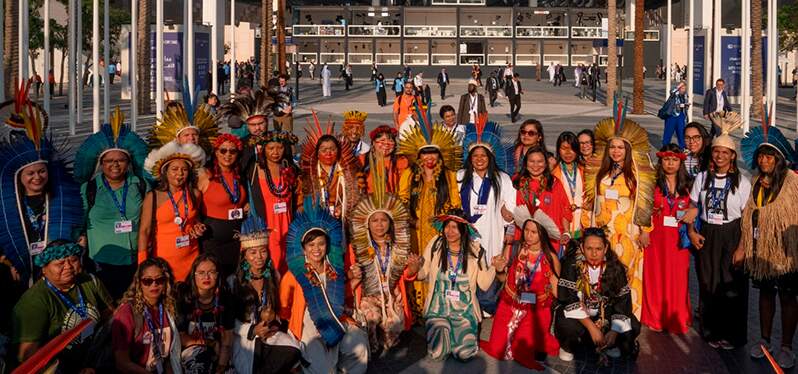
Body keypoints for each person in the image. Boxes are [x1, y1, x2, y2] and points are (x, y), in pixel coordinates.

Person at [0, 95, 83, 287]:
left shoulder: (58, 197)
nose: (37, 177)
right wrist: (8, 259)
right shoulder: (8, 202)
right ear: (19, 176)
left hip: (56, 275)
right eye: (30, 173)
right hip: (17, 273)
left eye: (41, 171)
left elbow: (73, 229)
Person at [279, 200, 369, 374]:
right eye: (311, 245)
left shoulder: (334, 269)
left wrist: (355, 279)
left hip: (336, 320)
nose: (316, 249)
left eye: (321, 243)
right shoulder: (294, 274)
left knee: (359, 343)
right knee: (324, 370)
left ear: (327, 245)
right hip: (308, 327)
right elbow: (284, 308)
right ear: (303, 249)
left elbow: (340, 297)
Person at [581, 111, 656, 319]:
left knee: (624, 277)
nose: (616, 151)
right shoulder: (598, 171)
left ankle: (623, 322)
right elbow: (590, 202)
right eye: (612, 147)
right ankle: (602, 318)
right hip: (603, 234)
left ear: (628, 149)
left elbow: (645, 204)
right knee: (601, 275)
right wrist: (587, 228)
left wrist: (645, 230)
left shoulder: (639, 172)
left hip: (628, 234)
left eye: (620, 147)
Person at [735, 124, 797, 368]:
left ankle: (787, 346)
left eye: (769, 156)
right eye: (761, 155)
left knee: (788, 297)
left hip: (788, 254)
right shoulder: (756, 182)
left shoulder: (793, 183)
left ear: (779, 158)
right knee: (765, 294)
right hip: (762, 251)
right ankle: (765, 340)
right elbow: (748, 216)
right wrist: (742, 247)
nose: (763, 160)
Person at [688, 112, 750, 349]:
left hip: (732, 235)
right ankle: (711, 331)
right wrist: (693, 232)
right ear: (711, 154)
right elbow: (693, 207)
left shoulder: (742, 182)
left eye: (725, 152)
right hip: (708, 234)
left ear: (732, 156)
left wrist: (742, 247)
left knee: (731, 285)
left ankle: (731, 335)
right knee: (708, 283)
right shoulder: (702, 178)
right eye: (716, 151)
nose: (720, 156)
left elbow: (746, 218)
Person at [348, 154, 422, 353]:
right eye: (375, 221)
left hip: (391, 293)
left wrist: (412, 269)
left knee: (394, 326)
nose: (379, 225)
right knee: (371, 317)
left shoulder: (398, 245)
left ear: (390, 223)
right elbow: (352, 277)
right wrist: (353, 277)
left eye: (383, 220)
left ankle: (386, 336)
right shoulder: (357, 246)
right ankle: (370, 342)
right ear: (367, 223)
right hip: (368, 294)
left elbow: (403, 275)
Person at [75, 110, 149, 300]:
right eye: (108, 160)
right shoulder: (89, 189)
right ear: (100, 163)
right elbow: (78, 225)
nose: (115, 164)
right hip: (101, 263)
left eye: (121, 160)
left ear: (129, 162)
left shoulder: (140, 185)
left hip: (135, 262)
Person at [12, 240, 114, 372]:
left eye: (73, 260)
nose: (68, 266)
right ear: (44, 269)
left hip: (94, 357)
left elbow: (112, 314)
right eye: (60, 263)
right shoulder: (34, 301)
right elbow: (27, 355)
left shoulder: (90, 281)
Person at [398, 114, 463, 319]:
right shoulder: (409, 174)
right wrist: (409, 219)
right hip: (415, 230)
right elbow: (401, 200)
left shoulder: (448, 175)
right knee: (417, 264)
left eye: (433, 154)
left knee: (438, 265)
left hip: (439, 231)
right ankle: (418, 309)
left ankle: (438, 306)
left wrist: (446, 224)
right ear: (419, 156)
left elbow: (455, 201)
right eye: (425, 154)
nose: (429, 158)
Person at [481, 207, 561, 369]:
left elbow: (556, 290)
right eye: (526, 230)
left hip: (536, 311)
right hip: (509, 306)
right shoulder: (514, 249)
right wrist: (499, 269)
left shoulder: (550, 258)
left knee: (522, 351)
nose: (528, 235)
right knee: (497, 350)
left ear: (542, 234)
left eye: (534, 232)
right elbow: (503, 279)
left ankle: (542, 338)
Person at [416, 212, 502, 362]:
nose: (450, 231)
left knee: (464, 355)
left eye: (455, 227)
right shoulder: (435, 244)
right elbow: (422, 274)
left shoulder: (475, 250)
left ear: (463, 230)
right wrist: (414, 267)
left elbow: (484, 283)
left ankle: (459, 339)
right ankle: (444, 339)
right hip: (438, 308)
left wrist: (495, 268)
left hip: (464, 310)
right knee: (436, 354)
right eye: (447, 226)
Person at [228, 214, 302, 374]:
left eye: (263, 251)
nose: (258, 257)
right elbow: (228, 321)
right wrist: (252, 330)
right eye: (253, 253)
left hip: (268, 335)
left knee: (294, 350)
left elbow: (276, 311)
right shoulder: (233, 282)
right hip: (243, 338)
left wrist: (272, 320)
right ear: (244, 255)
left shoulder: (274, 276)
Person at [554, 228, 641, 362]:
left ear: (605, 248)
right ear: (582, 248)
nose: (594, 253)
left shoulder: (615, 268)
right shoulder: (572, 265)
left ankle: (608, 342)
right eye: (589, 248)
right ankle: (568, 346)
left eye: (598, 249)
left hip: (604, 315)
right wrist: (591, 327)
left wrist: (614, 331)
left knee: (633, 326)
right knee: (565, 325)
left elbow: (622, 301)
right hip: (581, 318)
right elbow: (568, 298)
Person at [458, 118, 517, 314]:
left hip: (492, 234)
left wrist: (508, 216)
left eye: (484, 155)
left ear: (491, 157)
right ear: (469, 157)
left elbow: (511, 210)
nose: (479, 159)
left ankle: (487, 305)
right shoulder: (460, 177)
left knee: (490, 266)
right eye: (475, 156)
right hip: (467, 235)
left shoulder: (502, 178)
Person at [641, 144, 693, 334]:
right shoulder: (652, 182)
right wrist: (644, 231)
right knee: (655, 276)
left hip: (678, 240)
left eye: (674, 160)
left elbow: (696, 207)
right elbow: (643, 208)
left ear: (680, 162)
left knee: (677, 278)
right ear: (661, 161)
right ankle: (654, 315)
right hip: (656, 238)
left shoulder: (689, 184)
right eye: (666, 160)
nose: (670, 164)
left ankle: (676, 316)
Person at [138, 142, 207, 281]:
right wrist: (142, 264)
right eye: (174, 169)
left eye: (184, 170)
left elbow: (196, 219)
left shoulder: (195, 194)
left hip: (191, 256)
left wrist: (198, 227)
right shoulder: (153, 197)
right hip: (163, 259)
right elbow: (144, 231)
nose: (180, 174)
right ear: (165, 171)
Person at [111, 257, 183, 373]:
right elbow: (121, 363)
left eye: (159, 280)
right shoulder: (127, 312)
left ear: (166, 282)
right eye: (147, 281)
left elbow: (169, 357)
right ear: (139, 283)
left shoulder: (168, 308)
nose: (154, 285)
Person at [248, 130, 300, 275]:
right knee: (272, 264)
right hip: (267, 225)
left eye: (280, 148)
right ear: (263, 149)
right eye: (271, 148)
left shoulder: (289, 168)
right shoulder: (255, 170)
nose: (275, 152)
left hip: (288, 224)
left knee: (289, 263)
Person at [198, 134, 248, 279]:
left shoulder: (239, 175)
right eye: (223, 150)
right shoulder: (205, 175)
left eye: (232, 151)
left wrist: (246, 204)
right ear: (216, 152)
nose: (227, 155)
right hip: (213, 240)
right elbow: (192, 206)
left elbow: (238, 198)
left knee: (235, 280)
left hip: (236, 240)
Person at [176, 255, 235, 373]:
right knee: (200, 362)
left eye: (212, 272)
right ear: (194, 275)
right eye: (201, 273)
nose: (206, 277)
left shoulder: (225, 299)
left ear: (218, 275)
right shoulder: (184, 299)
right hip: (191, 350)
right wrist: (209, 344)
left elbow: (227, 339)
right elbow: (181, 337)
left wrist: (221, 366)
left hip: (219, 350)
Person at [300, 115, 361, 221]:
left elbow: (356, 195)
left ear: (338, 151)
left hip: (343, 218)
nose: (328, 153)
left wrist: (343, 208)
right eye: (324, 150)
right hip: (317, 219)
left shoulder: (347, 170)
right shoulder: (309, 173)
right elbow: (303, 199)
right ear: (317, 153)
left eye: (332, 149)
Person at [219, 87, 290, 177]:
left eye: (260, 123)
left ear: (267, 122)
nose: (257, 128)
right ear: (247, 126)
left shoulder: (279, 141)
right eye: (253, 125)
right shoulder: (241, 145)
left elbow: (290, 165)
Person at [514, 146, 571, 251]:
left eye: (540, 161)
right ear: (526, 164)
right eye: (532, 161)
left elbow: (565, 209)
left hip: (550, 241)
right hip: (525, 239)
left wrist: (566, 232)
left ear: (546, 164)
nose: (536, 165)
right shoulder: (517, 182)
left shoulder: (554, 183)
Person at [150, 97, 221, 156]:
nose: (191, 138)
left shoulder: (208, 157)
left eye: (194, 134)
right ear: (177, 138)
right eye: (186, 135)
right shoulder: (168, 160)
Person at [552, 132, 585, 236]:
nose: (568, 153)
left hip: (582, 223)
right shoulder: (553, 173)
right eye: (564, 148)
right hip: (561, 224)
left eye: (571, 149)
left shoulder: (584, 170)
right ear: (558, 150)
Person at [362, 125, 406, 194]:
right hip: (367, 203)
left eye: (391, 141)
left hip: (393, 202)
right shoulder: (362, 159)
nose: (386, 144)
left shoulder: (401, 162)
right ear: (373, 143)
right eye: (382, 140)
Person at [660, 82, 690, 149]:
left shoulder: (685, 95)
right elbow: (672, 91)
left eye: (684, 88)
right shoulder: (675, 94)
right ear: (679, 88)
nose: (683, 90)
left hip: (681, 115)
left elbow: (686, 106)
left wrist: (686, 105)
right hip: (672, 115)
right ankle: (665, 147)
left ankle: (682, 148)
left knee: (681, 132)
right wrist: (679, 85)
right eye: (682, 88)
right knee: (668, 132)